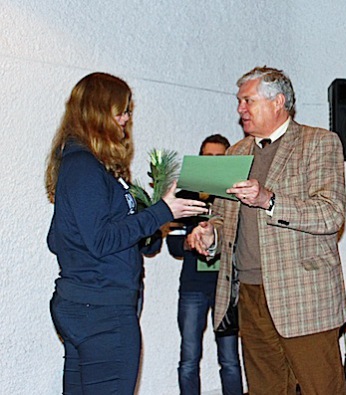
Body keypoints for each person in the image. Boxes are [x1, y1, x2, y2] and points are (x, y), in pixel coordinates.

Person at [45, 72, 208, 394]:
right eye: (121, 111)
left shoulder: (81, 163)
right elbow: (101, 240)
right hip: (102, 312)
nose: (126, 119)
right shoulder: (85, 168)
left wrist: (150, 225)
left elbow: (58, 238)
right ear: (97, 112)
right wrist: (161, 211)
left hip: (86, 306)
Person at [188, 66, 346, 395]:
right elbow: (223, 218)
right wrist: (211, 235)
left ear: (277, 102)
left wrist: (269, 200)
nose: (240, 109)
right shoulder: (235, 152)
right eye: (239, 101)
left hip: (303, 296)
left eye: (247, 100)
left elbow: (331, 214)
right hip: (248, 292)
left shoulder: (319, 142)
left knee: (323, 388)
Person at [166, 134, 244, 395]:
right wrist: (190, 241)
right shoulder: (185, 194)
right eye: (208, 158)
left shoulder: (236, 197)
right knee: (189, 358)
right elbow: (172, 245)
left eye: (220, 158)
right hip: (193, 288)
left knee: (230, 360)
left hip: (227, 287)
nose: (213, 163)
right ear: (200, 159)